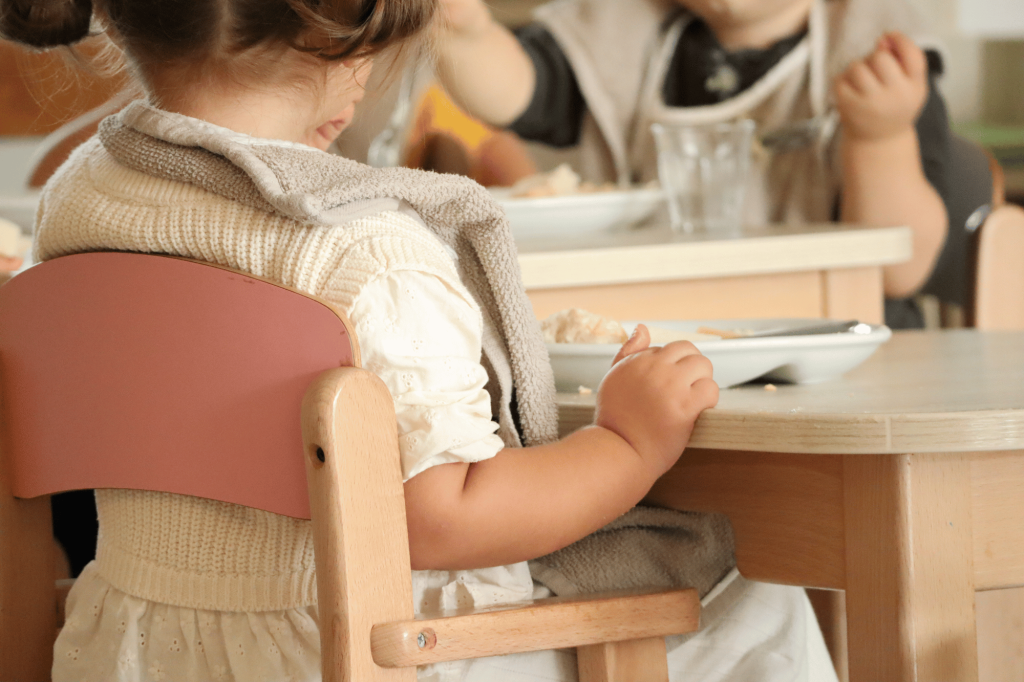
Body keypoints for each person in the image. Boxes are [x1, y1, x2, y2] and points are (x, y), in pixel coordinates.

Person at [1, 0, 835, 680]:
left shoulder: (74, 208)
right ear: (336, 34)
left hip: (136, 650)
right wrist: (629, 442)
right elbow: (447, 514)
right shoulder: (367, 254)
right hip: (379, 656)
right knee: (761, 604)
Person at [434, 0, 953, 329]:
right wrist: (465, 31)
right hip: (667, 333)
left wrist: (879, 136)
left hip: (836, 337)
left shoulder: (875, 52)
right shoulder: (622, 30)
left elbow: (900, 269)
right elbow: (519, 88)